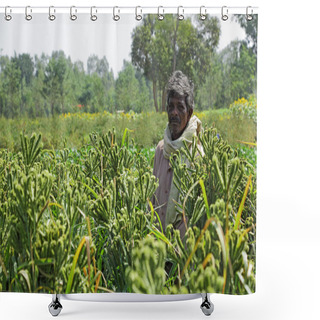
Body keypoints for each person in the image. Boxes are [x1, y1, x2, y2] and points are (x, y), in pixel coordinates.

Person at [152, 70, 204, 239]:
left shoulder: (197, 154)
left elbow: (199, 210)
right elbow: (152, 200)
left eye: (180, 107)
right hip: (158, 245)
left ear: (189, 112)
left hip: (184, 251)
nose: (174, 112)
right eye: (171, 107)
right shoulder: (161, 150)